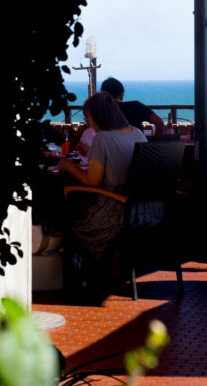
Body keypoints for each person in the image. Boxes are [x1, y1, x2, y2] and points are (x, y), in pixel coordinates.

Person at [58, 91, 146, 264]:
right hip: (143, 209)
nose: (87, 123)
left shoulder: (102, 138)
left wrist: (68, 166)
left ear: (97, 117)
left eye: (87, 118)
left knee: (65, 217)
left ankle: (82, 277)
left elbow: (93, 181)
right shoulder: (137, 133)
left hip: (113, 211)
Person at [101, 77, 165, 135]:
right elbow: (159, 122)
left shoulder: (100, 111)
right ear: (121, 95)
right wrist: (153, 142)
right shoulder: (135, 106)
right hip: (137, 146)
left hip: (109, 147)